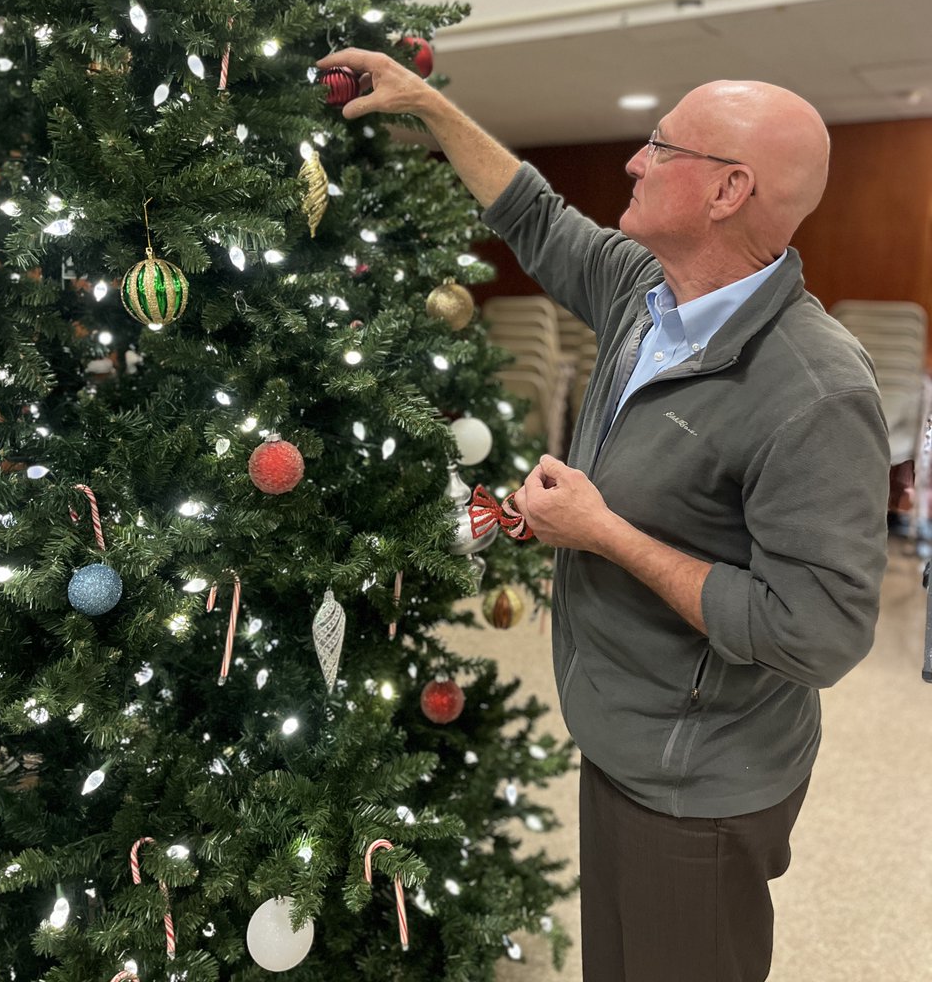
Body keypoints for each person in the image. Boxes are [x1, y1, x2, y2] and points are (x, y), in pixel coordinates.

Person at [317, 48, 890, 982]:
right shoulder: (644, 294)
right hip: (625, 734)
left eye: (662, 147)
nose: (634, 160)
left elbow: (818, 632)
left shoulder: (817, 389)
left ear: (729, 191)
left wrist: (604, 533)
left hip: (702, 779)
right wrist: (427, 105)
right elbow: (533, 214)